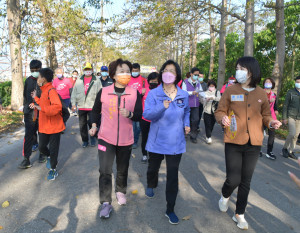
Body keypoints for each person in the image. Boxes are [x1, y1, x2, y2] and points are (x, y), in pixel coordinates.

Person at [215, 56, 282, 230]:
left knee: (246, 180)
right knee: (233, 179)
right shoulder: (230, 90)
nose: (239, 71)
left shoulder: (261, 93)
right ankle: (225, 195)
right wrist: (222, 118)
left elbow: (266, 115)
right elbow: (220, 110)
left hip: (254, 142)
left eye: (242, 68)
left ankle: (240, 213)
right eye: (237, 68)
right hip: (234, 140)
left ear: (252, 71)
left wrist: (271, 123)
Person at [89, 58, 142, 219]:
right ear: (113, 74)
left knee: (122, 168)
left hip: (126, 138)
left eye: (127, 71)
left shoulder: (134, 92)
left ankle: (120, 191)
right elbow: (94, 111)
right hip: (105, 137)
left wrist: (130, 114)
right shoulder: (104, 91)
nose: (125, 74)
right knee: (105, 170)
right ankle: (105, 202)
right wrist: (93, 125)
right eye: (121, 71)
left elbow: (139, 114)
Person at [144, 60, 190, 225]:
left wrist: (187, 123)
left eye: (172, 70)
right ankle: (151, 183)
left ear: (177, 75)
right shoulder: (153, 94)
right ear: (161, 74)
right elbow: (147, 114)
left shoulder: (183, 94)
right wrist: (162, 107)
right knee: (153, 167)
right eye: (165, 70)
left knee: (172, 176)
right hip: (157, 141)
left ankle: (170, 209)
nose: (168, 73)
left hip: (176, 143)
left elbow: (187, 111)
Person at [30, 68, 65, 180]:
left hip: (54, 126)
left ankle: (53, 170)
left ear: (44, 79)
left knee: (54, 149)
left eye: (39, 77)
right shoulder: (44, 90)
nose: (37, 79)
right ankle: (50, 157)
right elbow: (44, 103)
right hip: (44, 126)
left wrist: (41, 107)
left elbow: (57, 107)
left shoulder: (51, 91)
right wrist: (35, 98)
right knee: (41, 147)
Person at [19, 60, 45, 169]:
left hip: (42, 111)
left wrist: (37, 104)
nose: (34, 72)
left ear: (40, 69)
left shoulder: (45, 80)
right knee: (29, 134)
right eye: (32, 70)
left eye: (36, 70)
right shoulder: (28, 81)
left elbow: (46, 96)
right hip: (30, 113)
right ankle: (26, 159)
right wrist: (26, 107)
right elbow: (26, 96)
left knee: (42, 133)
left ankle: (43, 153)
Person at [71, 62, 102, 148]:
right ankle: (85, 140)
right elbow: (74, 93)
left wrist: (101, 106)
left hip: (92, 107)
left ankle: (92, 139)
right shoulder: (79, 80)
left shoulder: (96, 80)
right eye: (86, 69)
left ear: (92, 70)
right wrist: (73, 104)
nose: (87, 71)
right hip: (81, 107)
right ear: (83, 70)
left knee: (92, 124)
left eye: (89, 69)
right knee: (82, 125)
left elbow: (101, 93)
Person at [140, 72, 160, 164]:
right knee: (145, 137)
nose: (153, 83)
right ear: (148, 81)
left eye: (155, 81)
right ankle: (144, 154)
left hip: (157, 120)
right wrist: (140, 94)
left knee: (155, 138)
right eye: (151, 81)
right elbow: (136, 103)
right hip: (145, 119)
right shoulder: (144, 91)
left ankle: (153, 155)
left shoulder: (161, 91)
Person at [128, 63, 149, 149]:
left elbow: (146, 91)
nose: (134, 72)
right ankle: (128, 139)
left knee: (136, 125)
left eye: (136, 71)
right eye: (133, 71)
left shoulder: (144, 80)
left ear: (139, 70)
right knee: (128, 123)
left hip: (140, 104)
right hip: (129, 104)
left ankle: (135, 141)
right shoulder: (127, 79)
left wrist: (142, 93)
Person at [282, 76, 300, 160]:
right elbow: (285, 105)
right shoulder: (291, 92)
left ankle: (290, 151)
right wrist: (284, 117)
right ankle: (285, 148)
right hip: (291, 116)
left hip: (299, 118)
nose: (298, 83)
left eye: (299, 82)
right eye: (297, 81)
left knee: (296, 135)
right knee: (292, 133)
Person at [182, 67, 201, 143]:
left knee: (195, 120)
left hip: (196, 104)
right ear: (191, 74)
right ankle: (184, 134)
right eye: (195, 74)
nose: (196, 76)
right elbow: (183, 92)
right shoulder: (185, 82)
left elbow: (201, 92)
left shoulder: (198, 82)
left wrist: (206, 97)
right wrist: (191, 93)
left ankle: (193, 136)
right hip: (187, 104)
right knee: (186, 119)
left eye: (197, 75)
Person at [261, 78, 278, 160]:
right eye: (266, 82)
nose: (268, 83)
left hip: (272, 117)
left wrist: (276, 110)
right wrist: (268, 101)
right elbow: (259, 103)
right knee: (260, 133)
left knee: (272, 134)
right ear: (264, 83)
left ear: (272, 84)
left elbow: (275, 105)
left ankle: (269, 152)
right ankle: (258, 149)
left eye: (270, 82)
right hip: (262, 116)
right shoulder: (260, 93)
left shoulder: (274, 94)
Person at [200, 79, 221, 144]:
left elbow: (219, 99)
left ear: (215, 86)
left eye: (213, 86)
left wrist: (213, 97)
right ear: (208, 86)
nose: (211, 87)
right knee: (207, 125)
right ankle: (208, 137)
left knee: (212, 125)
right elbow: (202, 102)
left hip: (214, 111)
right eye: (210, 86)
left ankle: (208, 135)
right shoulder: (205, 93)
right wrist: (206, 100)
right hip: (207, 111)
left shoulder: (217, 92)